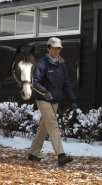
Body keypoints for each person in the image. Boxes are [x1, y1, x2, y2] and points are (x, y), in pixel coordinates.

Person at [28, 37, 77, 167]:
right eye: (54, 48)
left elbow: (66, 83)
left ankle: (32, 153)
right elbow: (35, 82)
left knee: (44, 128)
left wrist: (72, 100)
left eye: (59, 48)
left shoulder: (61, 64)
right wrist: (45, 92)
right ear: (48, 48)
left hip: (55, 101)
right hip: (43, 99)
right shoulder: (42, 63)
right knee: (53, 125)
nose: (57, 51)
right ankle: (61, 156)